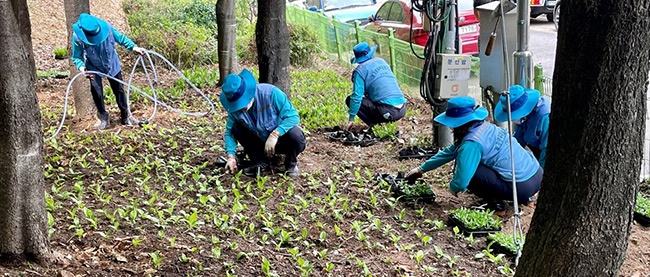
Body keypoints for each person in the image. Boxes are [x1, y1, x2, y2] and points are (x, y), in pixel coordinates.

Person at [405, 96, 543, 213]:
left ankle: (497, 206)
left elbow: (461, 181)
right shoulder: (484, 127)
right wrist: (421, 169)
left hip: (520, 187)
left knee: (471, 170)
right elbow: (450, 152)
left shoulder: (471, 143)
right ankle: (527, 200)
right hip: (537, 175)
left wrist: (453, 187)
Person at [220, 69, 306, 178]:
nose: (241, 109)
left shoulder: (271, 93)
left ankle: (290, 164)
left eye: (243, 103)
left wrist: (275, 134)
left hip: (281, 139)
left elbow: (293, 116)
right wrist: (231, 157)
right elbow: (229, 133)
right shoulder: (234, 111)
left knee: (296, 135)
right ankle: (260, 162)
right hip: (259, 142)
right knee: (236, 128)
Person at [71, 13, 146, 130]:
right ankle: (103, 117)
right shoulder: (77, 38)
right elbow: (76, 57)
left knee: (119, 90)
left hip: (112, 64)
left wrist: (134, 47)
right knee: (97, 92)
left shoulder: (108, 29)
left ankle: (125, 115)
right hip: (93, 68)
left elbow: (121, 39)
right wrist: (82, 68)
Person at [344, 42, 407, 131]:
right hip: (402, 109)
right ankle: (386, 123)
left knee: (350, 100)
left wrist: (351, 119)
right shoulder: (382, 61)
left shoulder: (360, 71)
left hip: (387, 112)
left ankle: (376, 127)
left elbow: (356, 97)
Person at [494, 85, 550, 168]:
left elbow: (546, 151)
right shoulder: (524, 118)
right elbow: (518, 140)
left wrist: (542, 174)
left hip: (547, 152)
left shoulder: (545, 118)